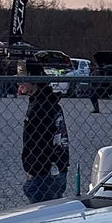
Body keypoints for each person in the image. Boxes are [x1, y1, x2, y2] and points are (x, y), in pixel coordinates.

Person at [16, 60, 69, 203]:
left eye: (23, 78)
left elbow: (38, 143)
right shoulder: (49, 103)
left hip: (44, 172)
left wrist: (33, 170)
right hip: (55, 168)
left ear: (34, 79)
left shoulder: (39, 107)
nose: (19, 83)